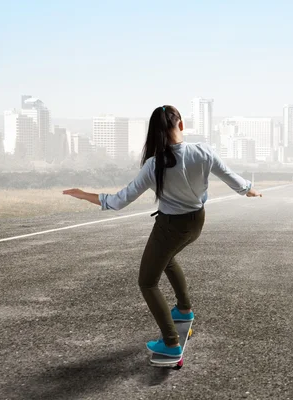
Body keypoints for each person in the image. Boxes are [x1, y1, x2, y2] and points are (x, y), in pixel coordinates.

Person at [63, 105, 262, 356]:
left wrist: (83, 195)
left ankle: (170, 343)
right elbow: (233, 179)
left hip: (169, 228)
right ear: (181, 125)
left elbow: (118, 201)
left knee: (147, 282)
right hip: (196, 222)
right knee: (166, 259)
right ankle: (184, 309)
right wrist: (250, 190)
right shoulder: (203, 152)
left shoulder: (154, 165)